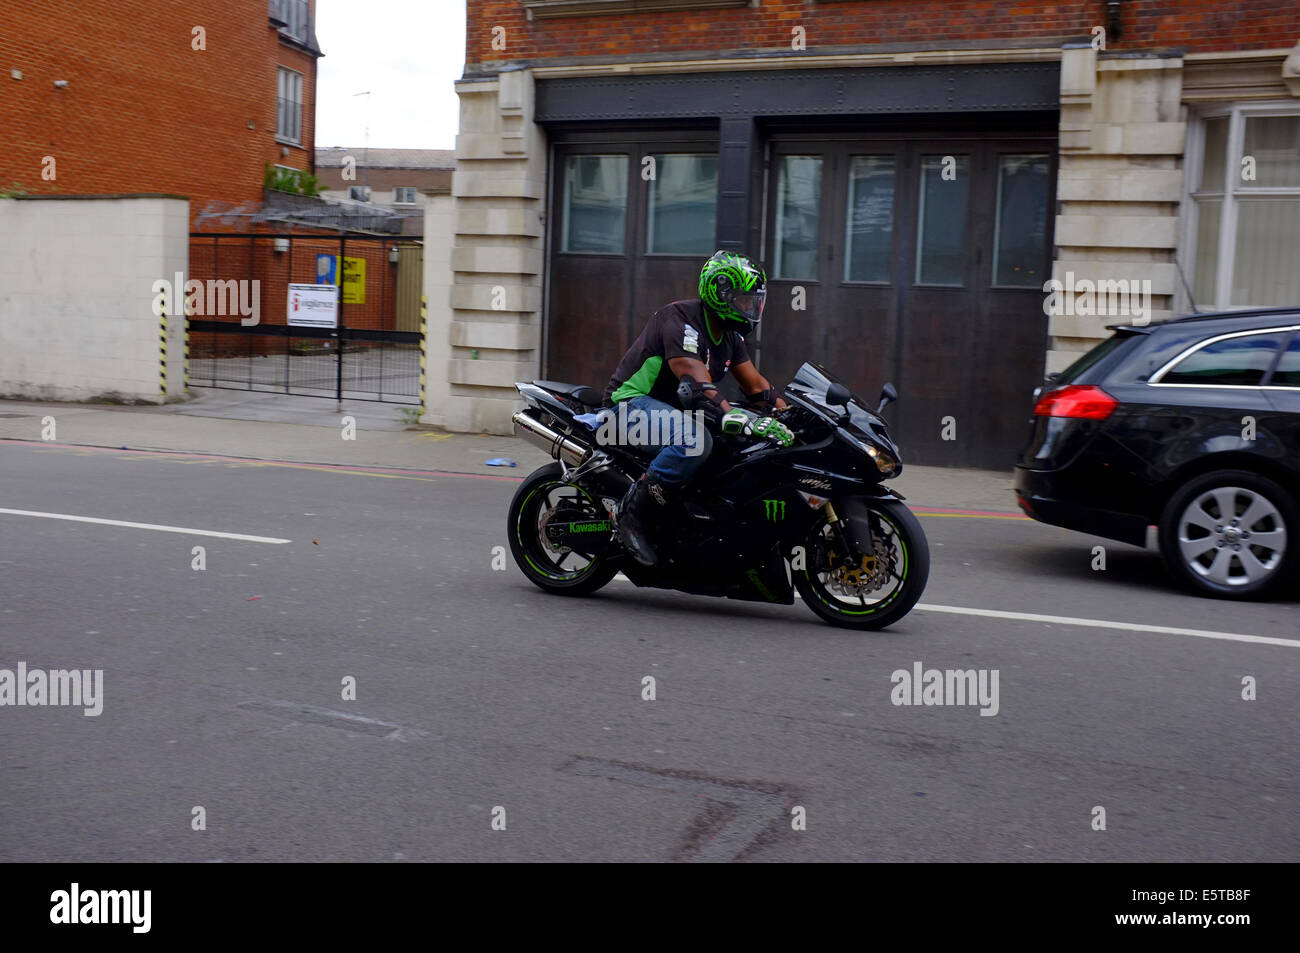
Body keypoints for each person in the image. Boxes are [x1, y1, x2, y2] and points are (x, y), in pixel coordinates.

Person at [601, 250, 793, 567]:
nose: (750, 307)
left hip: (672, 409)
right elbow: (698, 384)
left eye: (753, 300)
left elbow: (757, 387)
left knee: (736, 447)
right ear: (719, 294)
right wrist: (738, 418)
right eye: (743, 299)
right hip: (627, 405)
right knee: (695, 441)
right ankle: (631, 513)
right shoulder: (680, 322)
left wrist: (789, 416)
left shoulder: (730, 336)